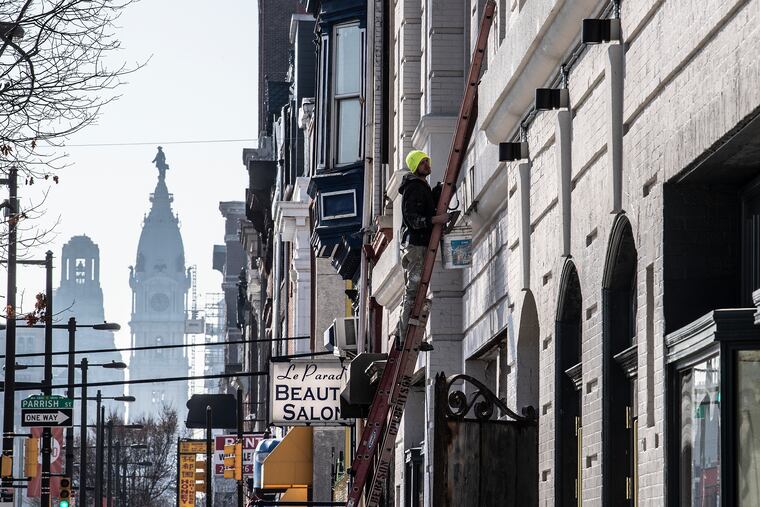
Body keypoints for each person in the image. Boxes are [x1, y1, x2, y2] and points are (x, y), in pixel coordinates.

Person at [396, 150, 449, 349]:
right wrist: (436, 220)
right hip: (416, 245)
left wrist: (436, 192)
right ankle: (405, 339)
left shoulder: (420, 187)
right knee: (414, 291)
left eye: (427, 160)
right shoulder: (414, 187)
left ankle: (407, 337)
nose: (427, 164)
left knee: (415, 291)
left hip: (415, 244)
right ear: (415, 166)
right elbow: (413, 218)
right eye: (422, 162)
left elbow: (423, 208)